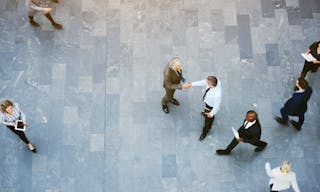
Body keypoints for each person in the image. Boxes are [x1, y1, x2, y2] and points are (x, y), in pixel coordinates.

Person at [189, 76, 221, 141]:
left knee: (208, 121)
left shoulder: (217, 95)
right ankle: (206, 113)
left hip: (211, 107)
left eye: (207, 83)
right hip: (207, 102)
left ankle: (205, 131)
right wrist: (191, 84)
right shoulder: (216, 81)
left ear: (211, 85)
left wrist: (211, 114)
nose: (205, 83)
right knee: (206, 110)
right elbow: (203, 82)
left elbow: (216, 107)